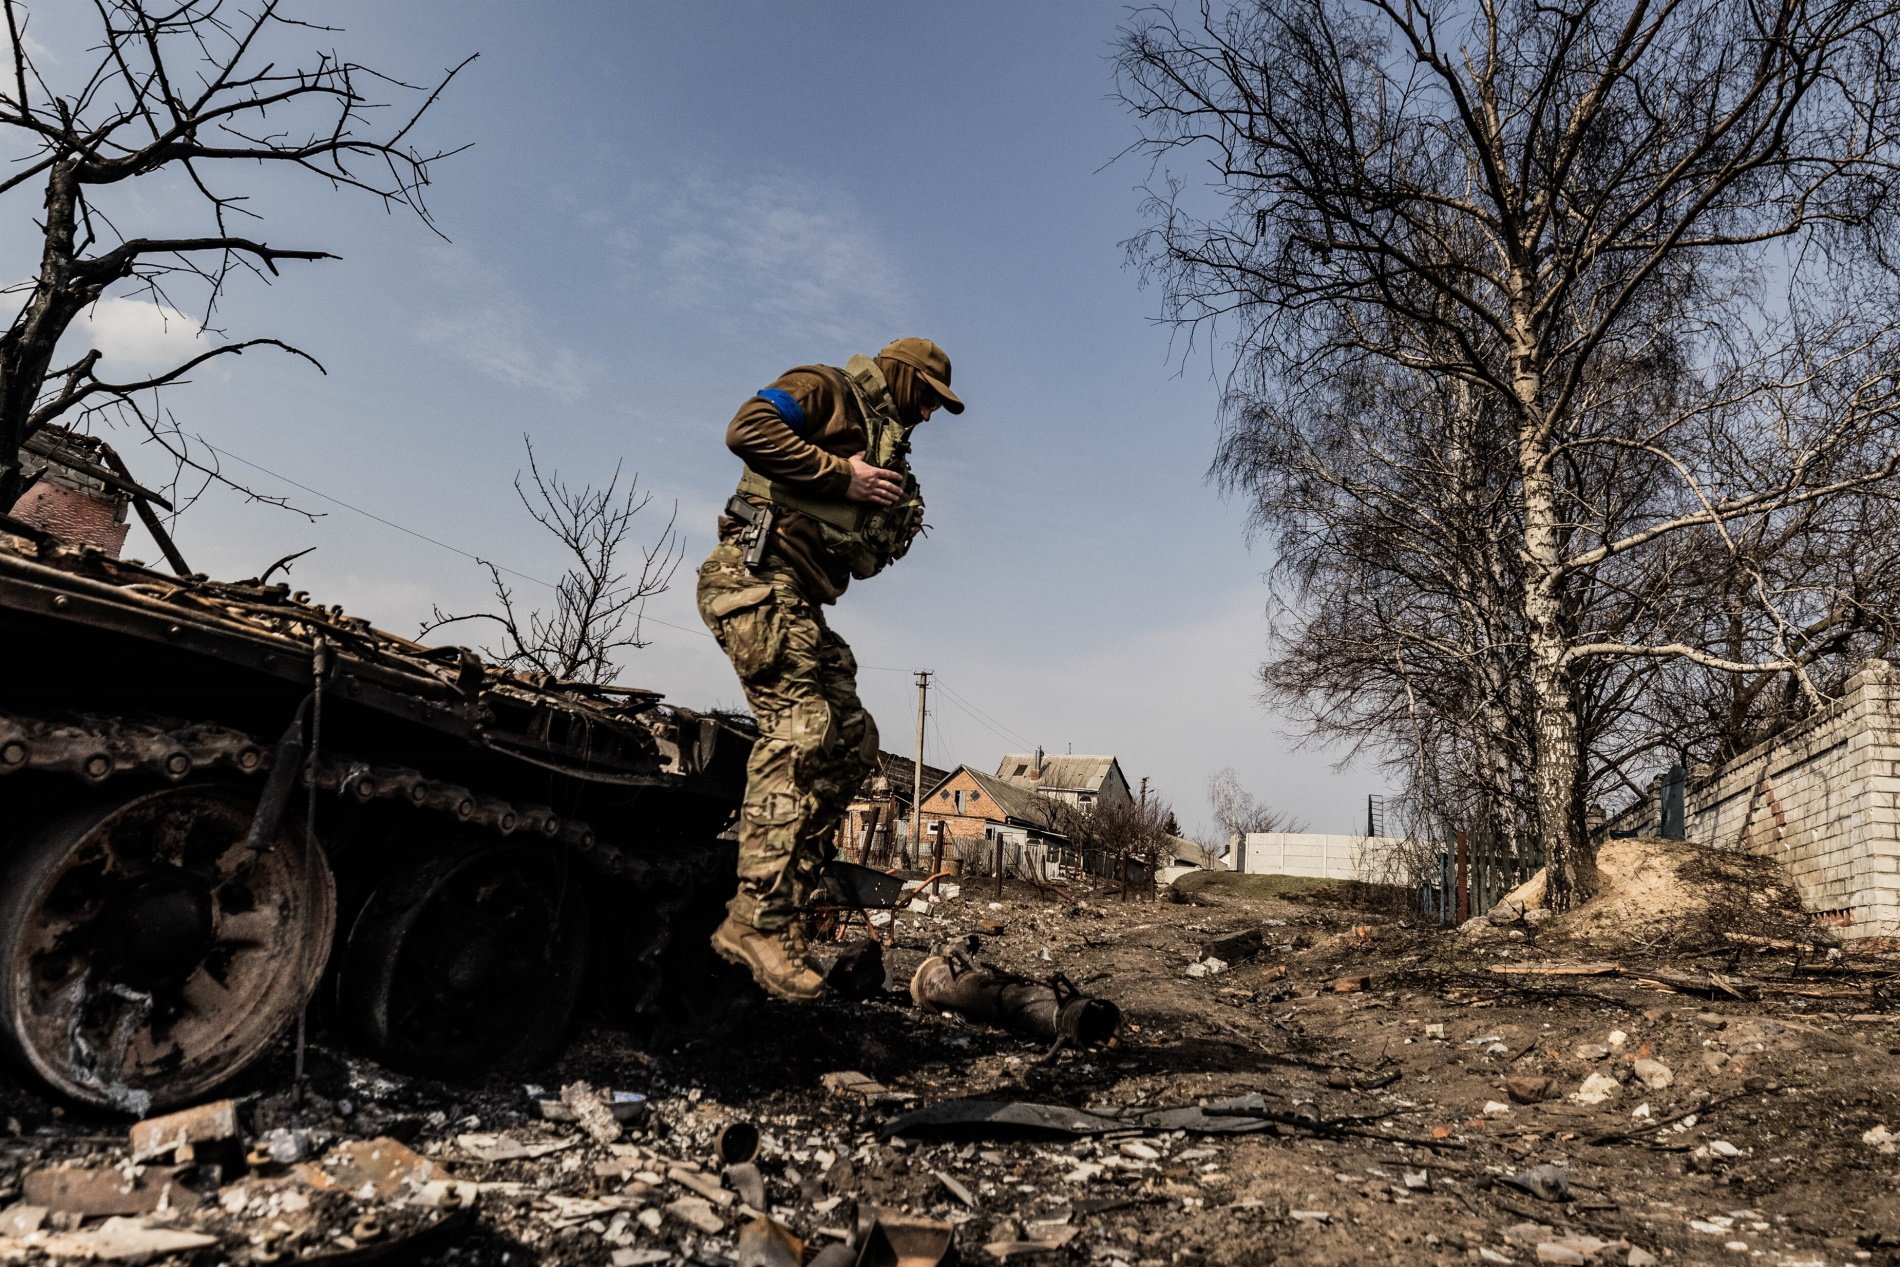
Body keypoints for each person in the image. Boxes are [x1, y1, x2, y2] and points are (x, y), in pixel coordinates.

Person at [698, 338, 963, 1001]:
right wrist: (842, 476)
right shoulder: (825, 389)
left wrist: (884, 517)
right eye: (928, 397)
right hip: (751, 577)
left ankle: (786, 903)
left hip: (800, 602)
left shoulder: (885, 447)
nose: (929, 414)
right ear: (901, 377)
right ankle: (753, 918)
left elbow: (859, 552)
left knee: (852, 742)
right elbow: (747, 428)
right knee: (804, 726)